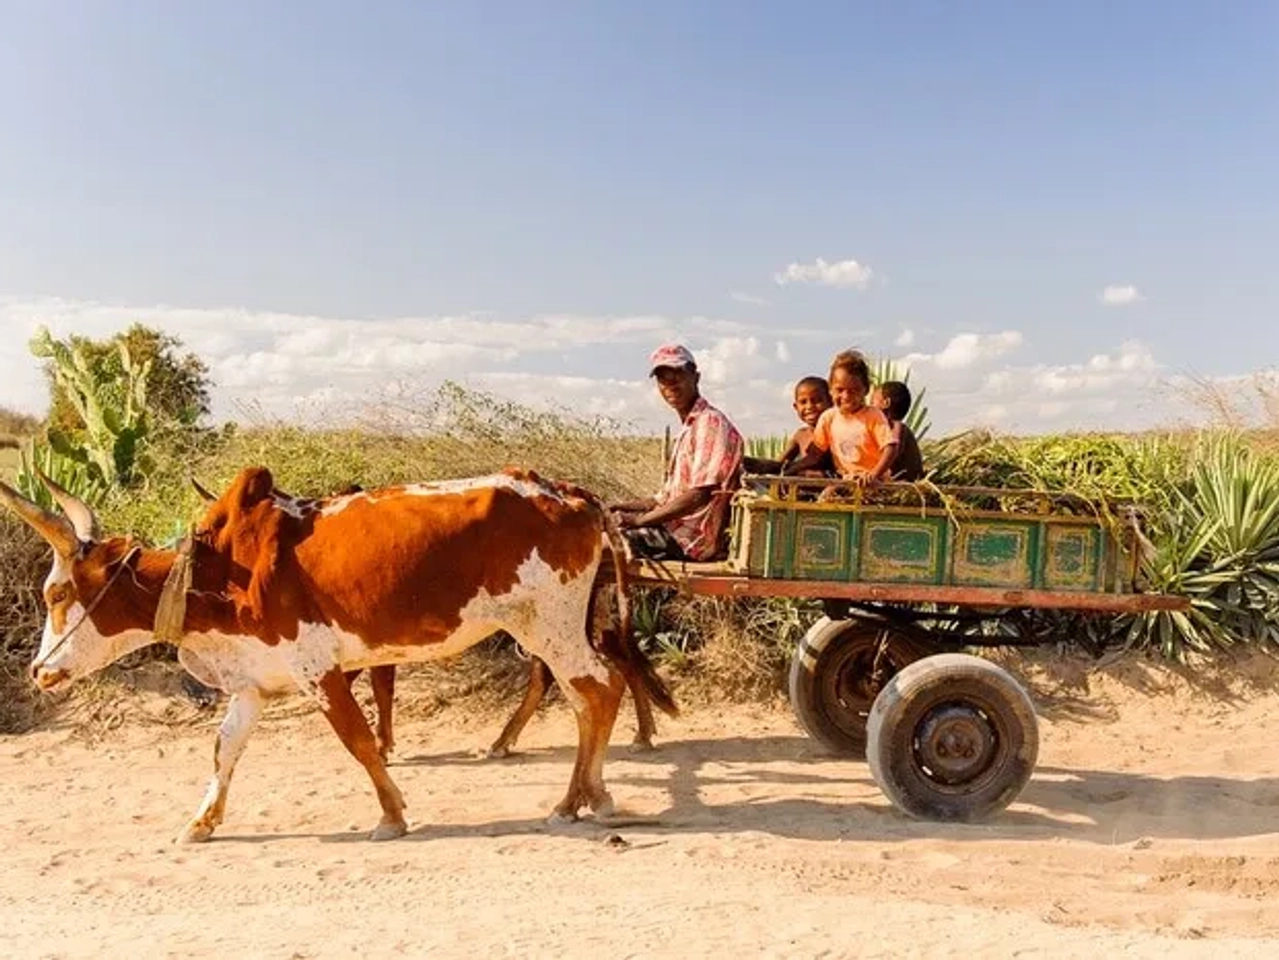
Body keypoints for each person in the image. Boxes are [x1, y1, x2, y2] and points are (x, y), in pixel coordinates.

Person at [611, 344, 745, 561]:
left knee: (597, 544)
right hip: (673, 530)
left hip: (689, 540)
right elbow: (663, 499)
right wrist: (619, 507)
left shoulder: (710, 423)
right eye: (663, 378)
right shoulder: (690, 427)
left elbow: (699, 496)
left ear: (696, 377)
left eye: (678, 374)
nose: (670, 384)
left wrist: (638, 521)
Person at [784, 349, 896, 486]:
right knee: (824, 496)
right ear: (830, 389)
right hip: (847, 481)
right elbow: (815, 455)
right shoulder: (828, 418)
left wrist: (874, 474)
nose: (846, 397)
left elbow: (890, 447)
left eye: (854, 390)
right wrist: (789, 470)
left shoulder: (873, 416)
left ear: (866, 389)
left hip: (874, 482)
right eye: (840, 390)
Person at [742, 376, 833, 476]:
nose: (809, 406)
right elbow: (780, 464)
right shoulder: (801, 435)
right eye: (803, 402)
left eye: (817, 401)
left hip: (829, 482)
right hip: (799, 485)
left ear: (831, 402)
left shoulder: (836, 432)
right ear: (796, 407)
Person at [871, 380, 925, 481]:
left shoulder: (896, 427)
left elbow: (892, 452)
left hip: (903, 488)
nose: (869, 407)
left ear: (886, 403)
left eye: (873, 401)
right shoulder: (890, 428)